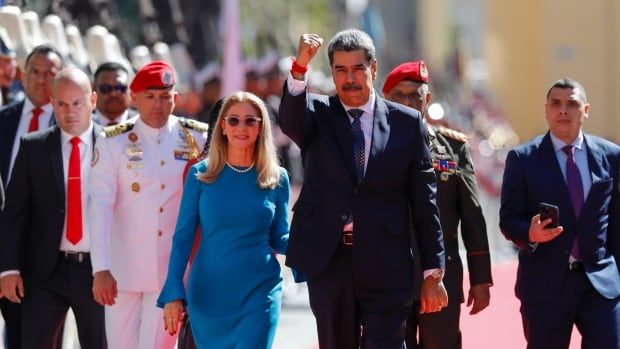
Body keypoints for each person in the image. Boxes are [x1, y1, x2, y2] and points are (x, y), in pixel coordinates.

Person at [278, 29, 448, 349]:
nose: (350, 79)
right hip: (331, 262)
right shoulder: (316, 114)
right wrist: (299, 67)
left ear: (373, 69)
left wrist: (432, 273)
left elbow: (425, 202)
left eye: (357, 69)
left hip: (387, 260)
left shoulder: (407, 123)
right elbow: (289, 120)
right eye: (340, 70)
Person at [88, 60, 209, 349]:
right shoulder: (112, 142)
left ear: (175, 98)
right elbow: (100, 208)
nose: (158, 104)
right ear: (134, 97)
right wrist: (100, 269)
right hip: (123, 272)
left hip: (172, 271)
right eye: (150, 96)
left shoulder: (198, 137)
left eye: (165, 96)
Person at [158, 91, 290, 348]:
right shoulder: (200, 174)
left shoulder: (277, 177)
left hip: (260, 292)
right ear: (222, 127)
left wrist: (319, 245)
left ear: (261, 127)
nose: (242, 127)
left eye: (251, 121)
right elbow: (183, 237)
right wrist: (173, 288)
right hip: (209, 294)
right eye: (234, 120)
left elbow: (280, 236)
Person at [499, 78, 620, 348]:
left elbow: (615, 220)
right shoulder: (523, 159)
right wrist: (529, 234)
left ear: (586, 110)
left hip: (600, 283)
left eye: (572, 104)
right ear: (546, 110)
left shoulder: (612, 156)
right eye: (556, 104)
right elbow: (508, 219)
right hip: (546, 286)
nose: (563, 110)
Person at [382, 60, 493, 349]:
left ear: (427, 99)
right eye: (399, 96)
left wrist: (480, 278)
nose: (407, 102)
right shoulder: (372, 146)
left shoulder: (452, 147)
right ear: (385, 99)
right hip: (389, 276)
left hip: (442, 275)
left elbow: (472, 215)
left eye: (414, 95)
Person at [0, 67, 106, 348]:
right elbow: (14, 213)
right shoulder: (33, 147)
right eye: (61, 104)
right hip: (46, 271)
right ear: (52, 102)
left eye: (77, 103)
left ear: (92, 100)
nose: (70, 111)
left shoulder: (114, 145)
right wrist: (8, 268)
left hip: (98, 270)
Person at [0, 44, 63, 349]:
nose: (41, 80)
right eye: (35, 72)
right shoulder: (3, 120)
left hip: (44, 255)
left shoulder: (68, 127)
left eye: (49, 73)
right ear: (23, 76)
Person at [92, 61, 135, 126]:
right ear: (94, 90)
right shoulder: (82, 126)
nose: (113, 94)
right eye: (106, 88)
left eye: (120, 88)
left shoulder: (144, 123)